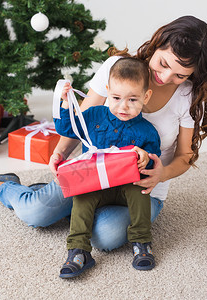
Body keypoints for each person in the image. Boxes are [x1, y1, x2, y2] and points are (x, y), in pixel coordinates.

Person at [0, 14, 207, 271]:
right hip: (92, 175)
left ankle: (71, 210)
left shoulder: (188, 96)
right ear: (158, 42)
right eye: (163, 63)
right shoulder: (118, 67)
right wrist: (60, 153)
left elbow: (184, 155)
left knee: (105, 236)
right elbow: (83, 119)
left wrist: (161, 174)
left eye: (180, 75)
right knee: (35, 213)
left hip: (142, 190)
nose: (166, 76)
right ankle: (3, 186)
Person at [55, 57, 161, 278]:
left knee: (140, 191)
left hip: (126, 187)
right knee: (81, 196)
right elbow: (67, 128)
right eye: (116, 98)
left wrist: (144, 158)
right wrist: (65, 103)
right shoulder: (94, 115)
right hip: (95, 184)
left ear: (146, 96)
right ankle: (79, 250)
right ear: (107, 91)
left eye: (133, 99)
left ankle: (142, 243)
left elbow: (153, 161)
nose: (123, 106)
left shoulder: (147, 131)